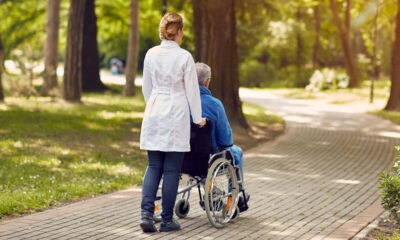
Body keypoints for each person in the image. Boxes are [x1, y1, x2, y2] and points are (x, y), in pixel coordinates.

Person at [139, 13, 206, 233]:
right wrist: (198, 118)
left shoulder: (151, 54)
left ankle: (147, 215)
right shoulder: (184, 57)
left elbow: (146, 88)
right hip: (176, 113)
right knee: (171, 170)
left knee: (153, 166)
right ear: (178, 32)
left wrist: (155, 105)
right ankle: (167, 220)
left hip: (155, 111)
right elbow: (192, 92)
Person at [195, 62, 249, 212]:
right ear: (207, 81)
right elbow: (226, 140)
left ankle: (214, 191)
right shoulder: (215, 104)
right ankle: (238, 196)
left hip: (184, 156)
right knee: (236, 152)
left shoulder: (181, 102)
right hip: (209, 155)